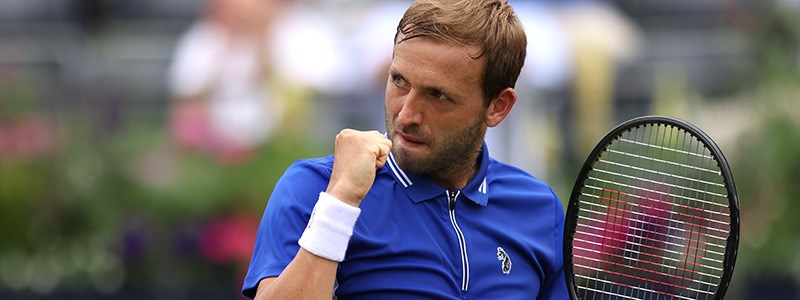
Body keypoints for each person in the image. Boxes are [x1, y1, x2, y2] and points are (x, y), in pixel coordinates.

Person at [242, 0, 569, 298]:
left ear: (498, 106)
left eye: (438, 96)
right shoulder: (315, 189)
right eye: (399, 81)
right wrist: (340, 203)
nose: (407, 115)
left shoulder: (540, 209)